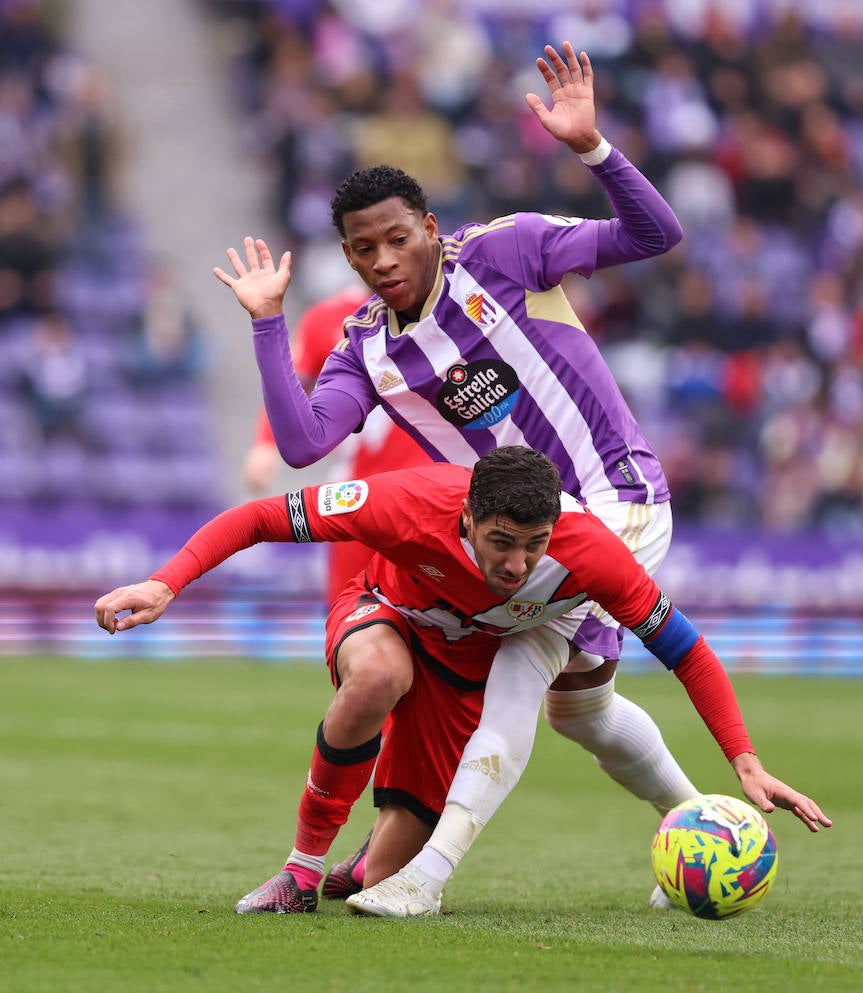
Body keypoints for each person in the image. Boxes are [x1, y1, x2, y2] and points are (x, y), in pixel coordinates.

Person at [213, 42, 702, 908]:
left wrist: (593, 148)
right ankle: (704, 825)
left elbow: (656, 234)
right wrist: (267, 325)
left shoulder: (508, 251)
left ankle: (425, 878)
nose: (384, 258)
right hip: (519, 534)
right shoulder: (365, 343)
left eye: (399, 237)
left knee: (517, 661)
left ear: (430, 228)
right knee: (579, 712)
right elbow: (302, 443)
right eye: (365, 249)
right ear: (350, 257)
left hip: (614, 498)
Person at [94, 447, 831, 916]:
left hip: (462, 665)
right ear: (467, 518)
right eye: (501, 542)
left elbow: (687, 649)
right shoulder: (408, 502)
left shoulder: (590, 554)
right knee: (379, 673)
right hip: (384, 612)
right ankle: (301, 868)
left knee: (388, 873)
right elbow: (260, 516)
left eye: (533, 546)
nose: (517, 564)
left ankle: (363, 865)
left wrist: (745, 760)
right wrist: (167, 584)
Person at [241, 282, 431, 605]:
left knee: (438, 618)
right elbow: (292, 383)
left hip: (430, 492)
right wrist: (265, 442)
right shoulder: (326, 317)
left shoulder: (448, 300)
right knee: (349, 609)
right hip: (357, 493)